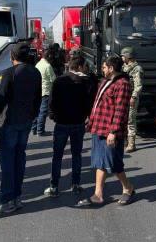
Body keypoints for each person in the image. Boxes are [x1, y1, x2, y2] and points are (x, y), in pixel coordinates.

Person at [0, 43, 42, 215]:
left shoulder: (9, 73)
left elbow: (1, 99)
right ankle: (17, 197)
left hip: (10, 121)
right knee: (20, 158)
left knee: (8, 162)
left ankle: (7, 200)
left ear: (12, 57)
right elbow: (38, 97)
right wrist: (33, 115)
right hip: (26, 120)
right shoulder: (35, 72)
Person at [76, 56, 135, 207]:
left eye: (104, 67)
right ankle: (98, 194)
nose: (102, 69)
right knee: (99, 162)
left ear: (111, 68)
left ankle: (127, 188)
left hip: (110, 130)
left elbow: (121, 110)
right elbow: (98, 103)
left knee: (113, 162)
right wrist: (92, 119)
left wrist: (113, 132)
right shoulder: (105, 81)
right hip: (99, 127)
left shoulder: (123, 84)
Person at [44, 54, 95, 197]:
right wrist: (86, 116)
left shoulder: (59, 80)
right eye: (84, 66)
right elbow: (89, 103)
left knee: (57, 156)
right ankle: (76, 184)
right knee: (76, 154)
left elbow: (52, 101)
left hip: (61, 123)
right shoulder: (86, 82)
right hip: (78, 122)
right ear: (79, 66)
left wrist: (54, 116)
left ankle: (54, 186)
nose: (86, 69)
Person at [121, 47, 143, 153]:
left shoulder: (136, 68)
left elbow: (138, 85)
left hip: (131, 97)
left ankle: (131, 143)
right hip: (123, 96)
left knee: (130, 120)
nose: (122, 58)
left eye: (123, 56)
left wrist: (134, 97)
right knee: (123, 119)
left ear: (128, 56)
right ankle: (125, 140)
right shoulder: (123, 67)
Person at [32, 49, 56, 137]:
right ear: (49, 56)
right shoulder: (48, 66)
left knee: (37, 110)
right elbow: (53, 80)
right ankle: (40, 130)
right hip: (45, 91)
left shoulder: (38, 64)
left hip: (38, 90)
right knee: (43, 111)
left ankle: (34, 129)